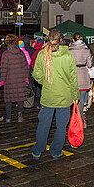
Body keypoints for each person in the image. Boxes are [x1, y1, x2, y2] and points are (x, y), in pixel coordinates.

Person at [32, 30, 78, 159]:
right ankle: (56, 150)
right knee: (61, 126)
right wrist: (75, 95)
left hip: (48, 96)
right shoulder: (68, 55)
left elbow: (36, 74)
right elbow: (73, 78)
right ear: (61, 41)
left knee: (43, 124)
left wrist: (45, 82)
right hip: (65, 96)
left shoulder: (42, 54)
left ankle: (38, 149)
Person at [0, 34, 29, 123]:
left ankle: (8, 117)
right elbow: (25, 66)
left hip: (10, 80)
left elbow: (4, 68)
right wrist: (26, 78)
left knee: (8, 99)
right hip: (20, 79)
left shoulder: (6, 54)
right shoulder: (21, 53)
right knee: (20, 99)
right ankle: (20, 116)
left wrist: (2, 80)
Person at [68, 32, 93, 128]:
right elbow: (90, 64)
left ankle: (73, 118)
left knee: (72, 98)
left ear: (73, 40)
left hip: (73, 75)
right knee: (82, 99)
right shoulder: (86, 49)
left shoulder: (70, 50)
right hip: (83, 75)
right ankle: (80, 118)